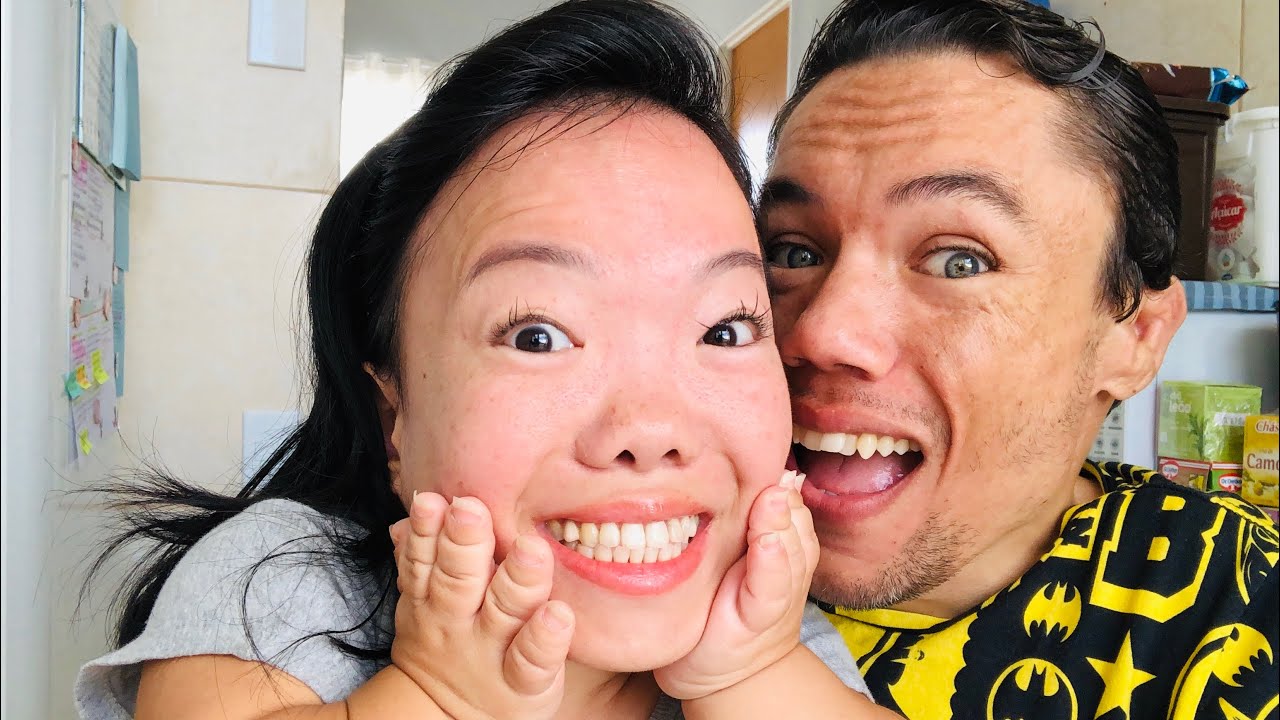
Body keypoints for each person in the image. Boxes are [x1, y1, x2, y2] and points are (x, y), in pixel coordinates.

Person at [75, 2, 897, 719]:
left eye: (723, 329)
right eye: (538, 335)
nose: (651, 429)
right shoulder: (287, 578)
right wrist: (439, 697)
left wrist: (751, 675)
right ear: (395, 419)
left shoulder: (762, 616)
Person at [761, 0, 1279, 717]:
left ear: (1135, 336)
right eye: (793, 252)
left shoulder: (1236, 604)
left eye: (959, 260)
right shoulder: (649, 553)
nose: (822, 333)